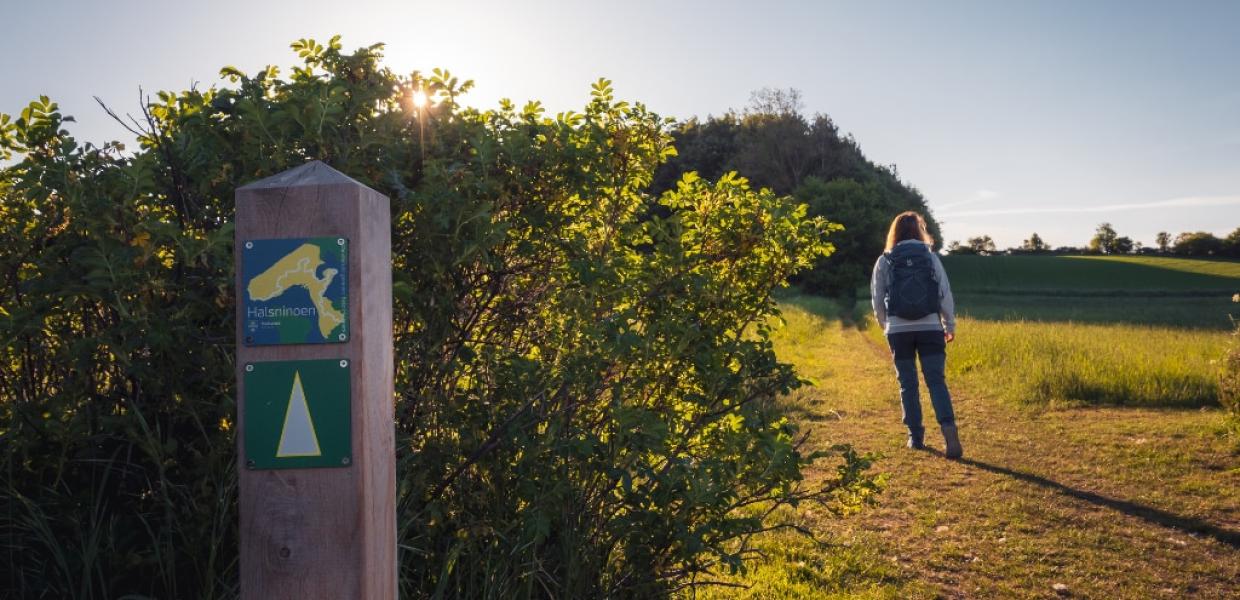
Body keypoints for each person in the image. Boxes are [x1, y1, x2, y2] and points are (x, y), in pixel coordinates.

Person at [870, 211, 962, 459]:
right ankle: (948, 429)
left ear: (895, 232)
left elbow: (877, 299)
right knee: (936, 381)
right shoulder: (930, 257)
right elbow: (944, 293)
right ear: (920, 230)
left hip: (899, 331)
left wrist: (886, 325)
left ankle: (915, 436)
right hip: (930, 327)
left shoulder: (886, 260)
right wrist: (948, 325)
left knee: (907, 384)